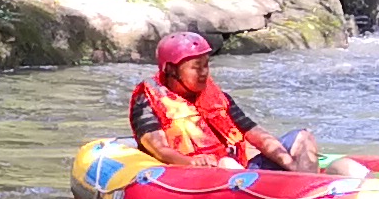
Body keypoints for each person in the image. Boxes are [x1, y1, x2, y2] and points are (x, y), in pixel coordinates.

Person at [125, 32, 316, 172]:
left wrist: (291, 166)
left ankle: (309, 191)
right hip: (191, 176)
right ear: (171, 70)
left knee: (303, 137)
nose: (204, 72)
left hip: (236, 171)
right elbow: (159, 149)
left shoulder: (218, 97)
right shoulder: (147, 100)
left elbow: (255, 134)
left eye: (206, 65)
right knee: (226, 163)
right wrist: (190, 162)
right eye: (196, 67)